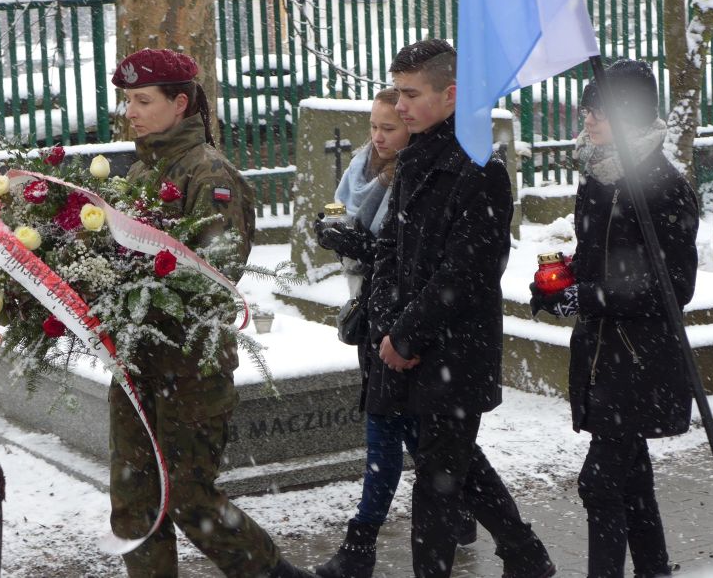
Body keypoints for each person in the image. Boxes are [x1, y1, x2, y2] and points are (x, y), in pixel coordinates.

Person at [109, 48, 314, 578]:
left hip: (189, 365)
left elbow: (214, 272)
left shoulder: (209, 174)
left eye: (142, 100)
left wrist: (133, 285)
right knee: (134, 501)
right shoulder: (143, 169)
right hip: (136, 360)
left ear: (180, 103)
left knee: (190, 499)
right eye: (128, 100)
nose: (130, 112)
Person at [367, 38, 555, 578]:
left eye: (411, 94)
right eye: (398, 92)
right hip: (410, 344)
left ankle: (486, 561)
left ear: (450, 95)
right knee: (455, 463)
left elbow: (466, 274)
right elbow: (390, 251)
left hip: (455, 351)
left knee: (437, 481)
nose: (400, 105)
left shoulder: (480, 171)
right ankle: (524, 553)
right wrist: (388, 326)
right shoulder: (415, 158)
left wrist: (407, 336)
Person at [530, 59, 699, 578]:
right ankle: (653, 569)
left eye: (601, 109)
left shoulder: (663, 186)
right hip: (603, 354)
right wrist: (558, 283)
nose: (589, 118)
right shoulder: (598, 174)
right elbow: (598, 262)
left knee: (600, 483)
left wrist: (587, 297)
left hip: (640, 358)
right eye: (587, 108)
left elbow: (673, 286)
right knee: (632, 481)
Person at [313, 89, 477, 578]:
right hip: (373, 317)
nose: (378, 137)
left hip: (402, 325)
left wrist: (359, 245)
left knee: (388, 430)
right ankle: (475, 516)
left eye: (389, 128)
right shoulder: (361, 169)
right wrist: (330, 231)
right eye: (374, 126)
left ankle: (359, 545)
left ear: (412, 129)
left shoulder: (417, 175)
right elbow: (350, 217)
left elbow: (406, 256)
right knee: (420, 436)